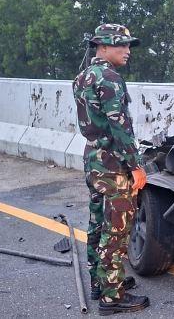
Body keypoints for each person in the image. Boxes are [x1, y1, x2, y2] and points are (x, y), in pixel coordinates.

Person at [72, 23, 149, 315]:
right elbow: (120, 125)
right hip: (113, 163)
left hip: (93, 157)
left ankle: (100, 282)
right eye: (121, 45)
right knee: (116, 229)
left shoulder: (83, 76)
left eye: (128, 45)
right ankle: (112, 297)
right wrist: (136, 165)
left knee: (97, 223)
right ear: (102, 46)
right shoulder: (110, 78)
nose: (127, 51)